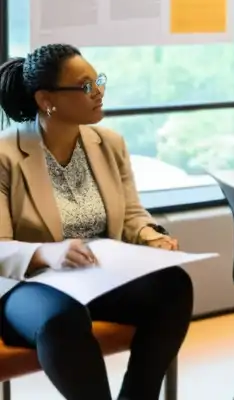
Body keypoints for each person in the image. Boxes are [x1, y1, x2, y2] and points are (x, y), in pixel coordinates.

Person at [0, 44, 192, 400]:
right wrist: (48, 253)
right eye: (85, 85)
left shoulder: (110, 143)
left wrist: (152, 237)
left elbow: (133, 215)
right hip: (27, 285)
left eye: (98, 80)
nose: (99, 91)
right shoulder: (5, 155)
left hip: (97, 275)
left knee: (174, 286)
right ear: (46, 100)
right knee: (62, 320)